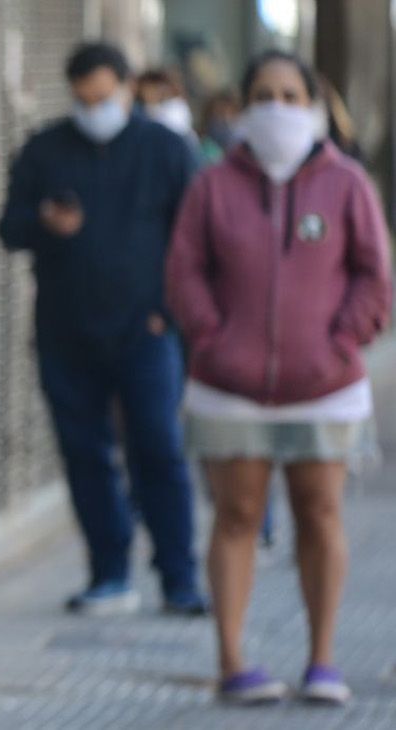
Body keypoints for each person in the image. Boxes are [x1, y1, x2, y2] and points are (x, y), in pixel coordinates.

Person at [167, 50, 391, 706]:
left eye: (291, 94)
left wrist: (339, 343)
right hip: (229, 386)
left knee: (319, 513)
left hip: (324, 387)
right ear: (243, 104)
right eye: (264, 93)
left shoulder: (347, 184)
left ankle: (323, 661)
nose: (278, 106)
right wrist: (214, 342)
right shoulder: (211, 186)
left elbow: (375, 277)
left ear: (313, 105)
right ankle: (234, 661)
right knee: (236, 515)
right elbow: (184, 272)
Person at [0, 42, 207, 617]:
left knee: (159, 450)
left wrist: (171, 311)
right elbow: (9, 228)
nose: (95, 108)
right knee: (85, 453)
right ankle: (109, 572)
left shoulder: (165, 149)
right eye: (83, 99)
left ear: (126, 86)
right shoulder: (45, 149)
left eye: (104, 96)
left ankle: (180, 576)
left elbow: (193, 238)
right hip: (67, 333)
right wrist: (44, 221)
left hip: (146, 331)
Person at [136, 67, 201, 152]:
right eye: (147, 88)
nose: (150, 92)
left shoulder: (175, 107)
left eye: (155, 88)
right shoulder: (140, 109)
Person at [197, 89, 241, 164]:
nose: (225, 119)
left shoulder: (240, 154)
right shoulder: (195, 148)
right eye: (220, 113)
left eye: (231, 114)